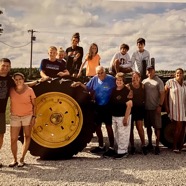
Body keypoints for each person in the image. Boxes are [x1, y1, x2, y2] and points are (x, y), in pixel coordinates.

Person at [71, 66, 116, 158]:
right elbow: (87, 88)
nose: (100, 75)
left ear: (105, 71)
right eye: (98, 73)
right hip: (98, 105)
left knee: (108, 126)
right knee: (97, 127)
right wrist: (79, 83)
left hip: (107, 106)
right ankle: (101, 146)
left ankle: (111, 147)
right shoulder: (94, 79)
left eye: (102, 72)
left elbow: (120, 85)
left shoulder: (111, 79)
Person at [8, 72, 36, 167]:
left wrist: (34, 117)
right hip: (15, 116)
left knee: (27, 136)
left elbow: (34, 105)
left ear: (23, 80)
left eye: (20, 79)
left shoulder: (30, 90)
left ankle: (22, 159)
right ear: (13, 81)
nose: (18, 81)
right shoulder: (11, 90)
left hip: (27, 116)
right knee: (13, 139)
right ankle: (14, 159)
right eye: (16, 79)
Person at [142, 65, 164, 155]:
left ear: (154, 71)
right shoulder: (144, 81)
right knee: (148, 127)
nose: (149, 72)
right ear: (146, 72)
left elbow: (162, 94)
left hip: (155, 108)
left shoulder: (159, 81)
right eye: (148, 71)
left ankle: (157, 145)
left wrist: (160, 106)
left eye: (151, 70)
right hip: (147, 108)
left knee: (157, 127)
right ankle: (150, 143)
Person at [110, 72, 132, 159]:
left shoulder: (126, 91)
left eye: (120, 80)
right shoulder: (114, 90)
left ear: (123, 81)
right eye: (117, 80)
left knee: (123, 134)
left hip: (123, 116)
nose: (118, 82)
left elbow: (129, 105)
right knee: (117, 134)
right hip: (115, 115)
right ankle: (119, 149)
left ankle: (123, 151)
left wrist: (126, 118)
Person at [164, 68, 186, 153]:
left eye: (180, 73)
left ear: (183, 74)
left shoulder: (184, 84)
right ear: (175, 74)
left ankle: (181, 146)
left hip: (183, 108)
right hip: (175, 108)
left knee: (183, 128)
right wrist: (166, 106)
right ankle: (174, 146)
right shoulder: (170, 82)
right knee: (178, 127)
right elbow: (165, 93)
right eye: (177, 73)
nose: (179, 74)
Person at [126, 72, 147, 155]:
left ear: (139, 78)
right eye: (133, 78)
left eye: (136, 77)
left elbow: (145, 96)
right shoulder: (128, 86)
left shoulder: (142, 86)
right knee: (130, 128)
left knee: (139, 127)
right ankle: (132, 146)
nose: (134, 79)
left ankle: (143, 145)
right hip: (131, 109)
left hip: (139, 109)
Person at [0, 58, 15, 168]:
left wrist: (38, 82)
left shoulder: (10, 80)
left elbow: (21, 85)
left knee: (1, 135)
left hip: (1, 111)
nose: (5, 68)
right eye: (3, 65)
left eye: (7, 66)